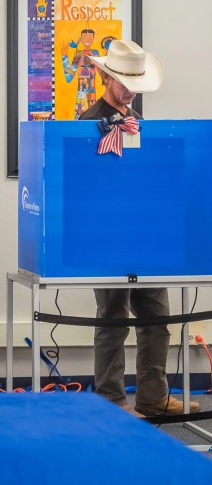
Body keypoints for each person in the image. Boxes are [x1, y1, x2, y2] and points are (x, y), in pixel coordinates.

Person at [82, 40, 200, 417]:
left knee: (158, 318)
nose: (129, 88)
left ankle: (153, 397)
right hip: (109, 238)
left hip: (145, 235)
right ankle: (111, 401)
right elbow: (89, 188)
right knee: (113, 319)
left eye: (134, 80)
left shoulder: (139, 123)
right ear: (105, 76)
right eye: (122, 80)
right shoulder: (88, 123)